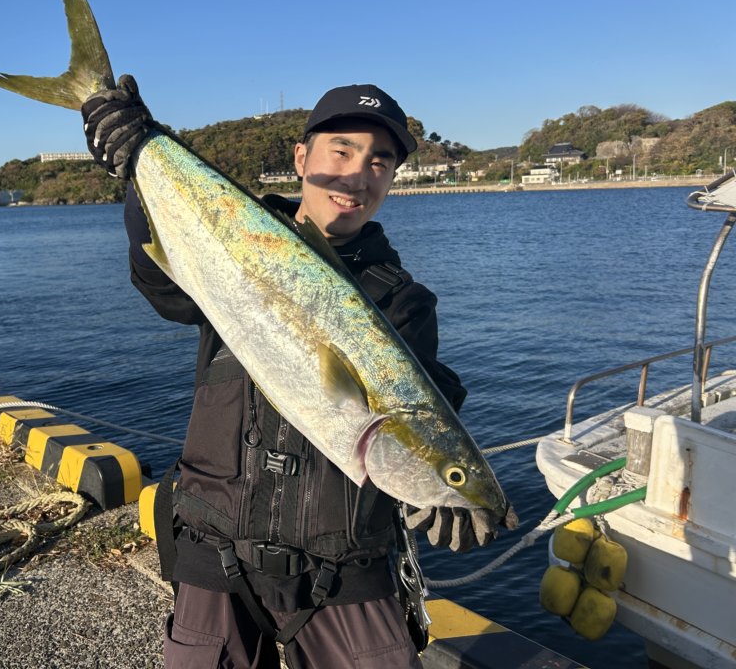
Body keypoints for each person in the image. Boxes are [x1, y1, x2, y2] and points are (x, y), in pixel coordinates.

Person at [83, 78, 512, 669]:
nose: (358, 174)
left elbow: (425, 405)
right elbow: (165, 287)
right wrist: (137, 165)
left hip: (342, 570)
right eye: (342, 150)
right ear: (301, 158)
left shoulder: (405, 302)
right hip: (216, 550)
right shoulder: (234, 240)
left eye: (380, 161)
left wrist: (437, 491)